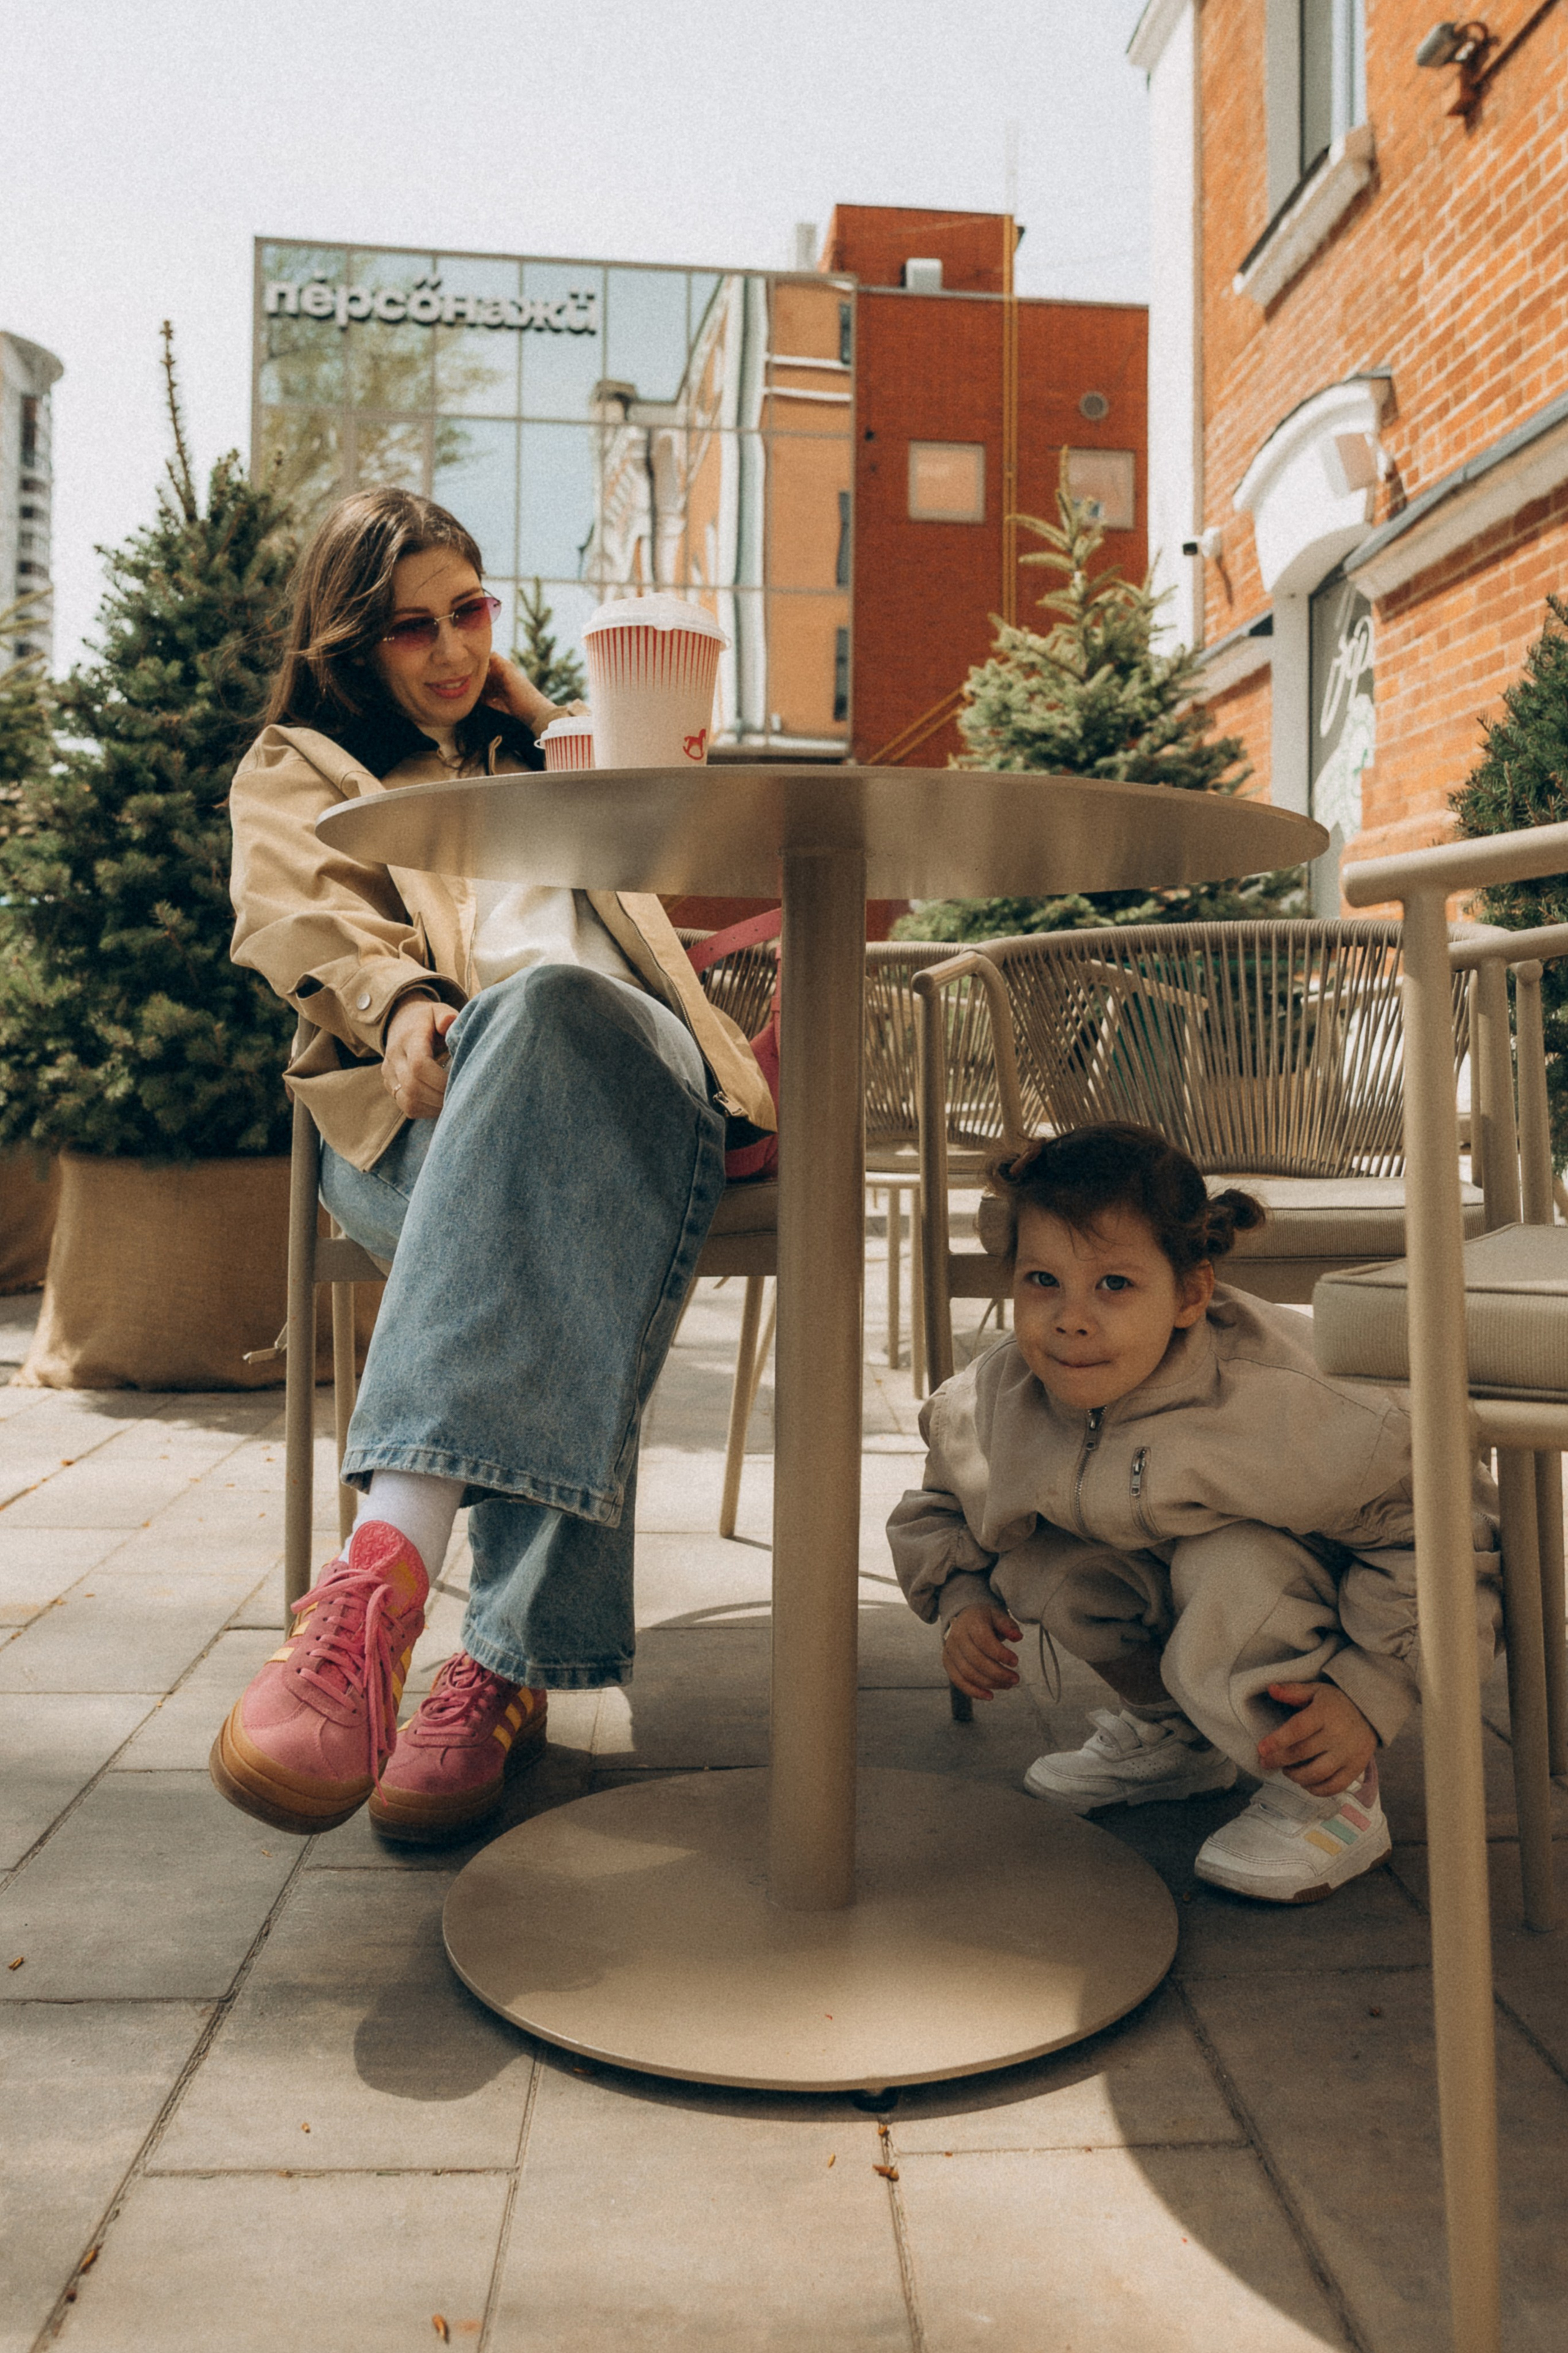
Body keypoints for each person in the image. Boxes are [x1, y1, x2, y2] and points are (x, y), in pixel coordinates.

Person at [211, 487, 774, 1846]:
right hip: (417, 1121)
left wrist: (565, 749)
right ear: (351, 644)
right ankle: (502, 1671)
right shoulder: (303, 765)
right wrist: (399, 1000)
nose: (451, 650)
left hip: (641, 1096)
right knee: (539, 1123)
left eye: (470, 612)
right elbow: (295, 909)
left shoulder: (555, 756)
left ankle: (380, 1575)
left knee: (554, 1015)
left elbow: (665, 895)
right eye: (410, 628)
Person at [887, 1124, 1502, 1904]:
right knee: (1040, 1563)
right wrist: (963, 1600)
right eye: (1043, 1280)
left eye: (1113, 1284)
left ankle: (1331, 1797)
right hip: (1174, 1566)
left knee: (1230, 1566)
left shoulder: (1293, 1405)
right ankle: (1181, 1736)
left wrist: (1370, 1690)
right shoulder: (995, 1401)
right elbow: (940, 1506)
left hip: (1328, 1595)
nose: (1071, 1318)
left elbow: (1448, 1530)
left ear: (1190, 1294)